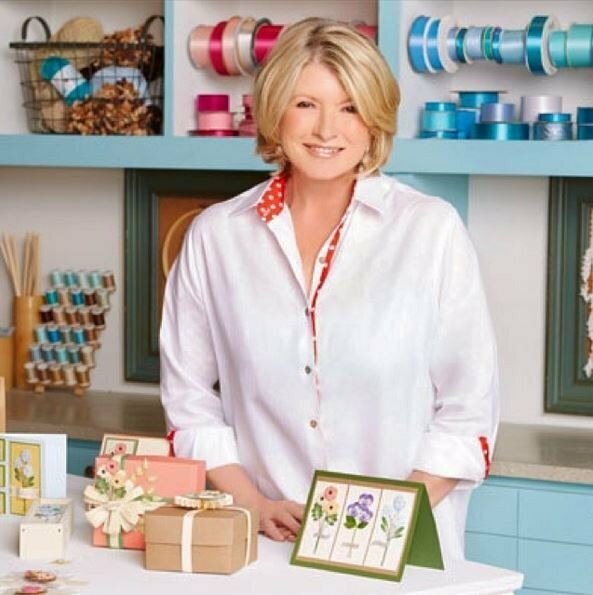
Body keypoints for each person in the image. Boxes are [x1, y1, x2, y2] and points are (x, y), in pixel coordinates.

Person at [160, 17, 499, 562]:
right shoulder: (215, 236)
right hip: (267, 545)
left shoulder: (430, 230)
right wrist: (252, 503)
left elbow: (468, 411)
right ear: (275, 111)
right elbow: (189, 402)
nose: (326, 129)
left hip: (400, 551)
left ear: (374, 120)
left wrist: (379, 526)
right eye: (305, 104)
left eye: (349, 107)